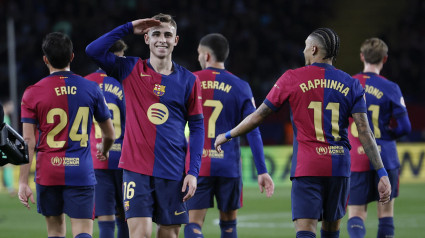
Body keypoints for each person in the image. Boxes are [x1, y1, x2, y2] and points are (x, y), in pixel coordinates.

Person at [214, 28, 392, 238]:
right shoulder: (351, 83)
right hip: (339, 167)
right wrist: (381, 172)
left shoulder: (291, 78)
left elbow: (258, 116)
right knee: (331, 231)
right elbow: (364, 131)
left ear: (314, 49)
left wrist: (228, 135)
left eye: (306, 46)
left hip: (308, 166)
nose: (304, 50)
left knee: (306, 231)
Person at [86, 13, 204, 238]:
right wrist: (129, 27)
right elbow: (93, 50)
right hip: (135, 169)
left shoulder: (189, 80)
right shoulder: (130, 68)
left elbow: (198, 129)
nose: (162, 39)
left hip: (172, 170)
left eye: (168, 35)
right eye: (156, 34)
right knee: (139, 234)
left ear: (176, 40)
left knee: (168, 235)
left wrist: (193, 172)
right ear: (146, 38)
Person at [18, 32, 115, 238]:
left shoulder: (32, 93)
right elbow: (109, 133)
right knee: (83, 232)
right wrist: (104, 150)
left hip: (48, 171)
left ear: (45, 59)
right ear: (72, 56)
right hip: (81, 170)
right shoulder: (91, 88)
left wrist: (23, 182)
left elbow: (28, 141)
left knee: (55, 232)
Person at [184, 33, 275, 238]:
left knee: (193, 224)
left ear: (206, 56)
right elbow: (253, 129)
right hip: (229, 166)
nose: (198, 57)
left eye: (199, 53)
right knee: (228, 225)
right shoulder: (241, 86)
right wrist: (261, 170)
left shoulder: (191, 81)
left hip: (198, 165)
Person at [346, 38, 411, 238]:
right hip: (386, 157)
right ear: (385, 59)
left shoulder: (348, 84)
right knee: (386, 213)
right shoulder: (391, 87)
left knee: (356, 214)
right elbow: (405, 127)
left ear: (361, 56)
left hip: (356, 158)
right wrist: (387, 136)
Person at [85, 39, 129, 238]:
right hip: (124, 159)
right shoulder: (127, 82)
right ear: (117, 57)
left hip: (95, 158)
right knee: (126, 217)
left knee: (105, 218)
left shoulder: (85, 83)